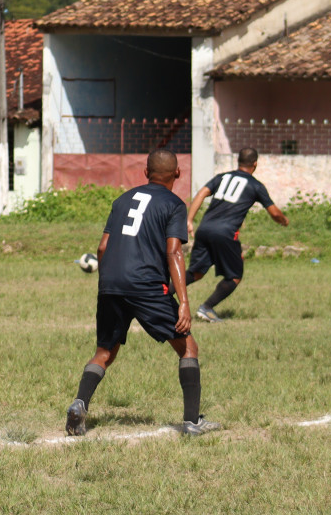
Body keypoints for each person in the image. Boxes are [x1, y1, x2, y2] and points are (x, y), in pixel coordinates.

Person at [64, 149, 219, 438]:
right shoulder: (174, 204)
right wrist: (184, 302)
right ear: (178, 174)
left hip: (111, 283)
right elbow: (173, 250)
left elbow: (102, 248)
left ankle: (79, 403)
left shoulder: (122, 200)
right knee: (188, 348)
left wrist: (109, 283)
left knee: (104, 352)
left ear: (145, 173)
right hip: (147, 285)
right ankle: (191, 422)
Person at [185, 147, 289, 323]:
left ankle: (161, 294)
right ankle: (206, 308)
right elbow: (274, 213)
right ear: (255, 164)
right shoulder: (256, 185)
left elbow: (202, 193)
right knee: (234, 275)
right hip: (225, 233)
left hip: (204, 229)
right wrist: (284, 220)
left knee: (196, 272)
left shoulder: (222, 177)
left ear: (238, 161)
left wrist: (189, 220)